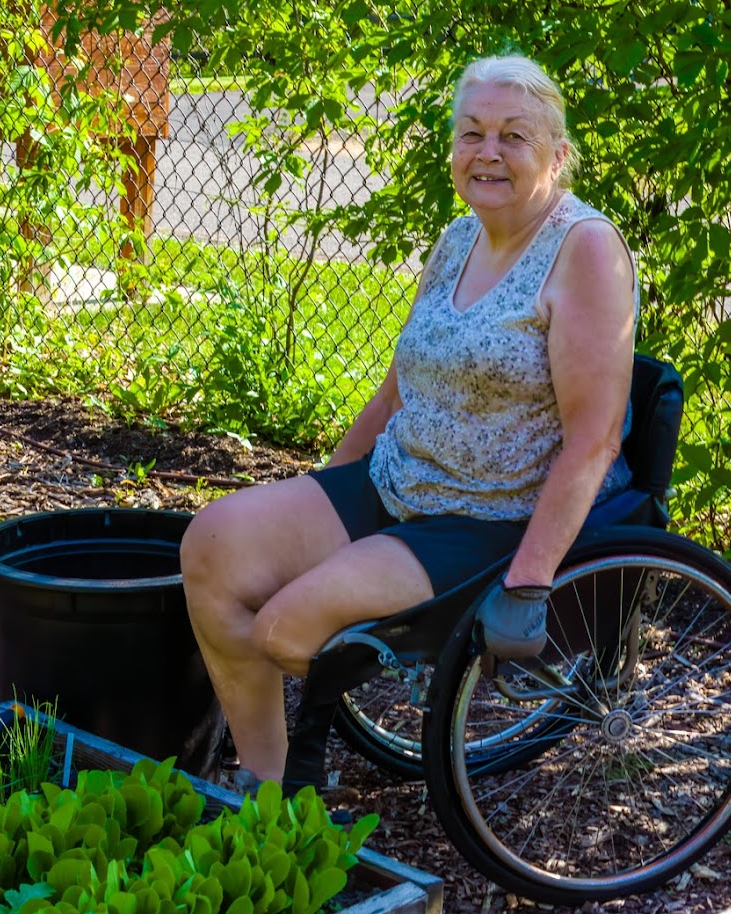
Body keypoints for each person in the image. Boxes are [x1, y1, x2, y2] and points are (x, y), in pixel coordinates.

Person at [180, 53, 639, 786]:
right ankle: (265, 791)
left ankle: (299, 784)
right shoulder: (459, 238)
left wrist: (527, 583)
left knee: (282, 627)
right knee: (213, 546)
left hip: (488, 517)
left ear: (557, 154)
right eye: (472, 133)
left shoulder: (584, 251)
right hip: (401, 477)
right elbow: (398, 390)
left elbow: (595, 438)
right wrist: (320, 489)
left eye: (513, 136)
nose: (487, 152)